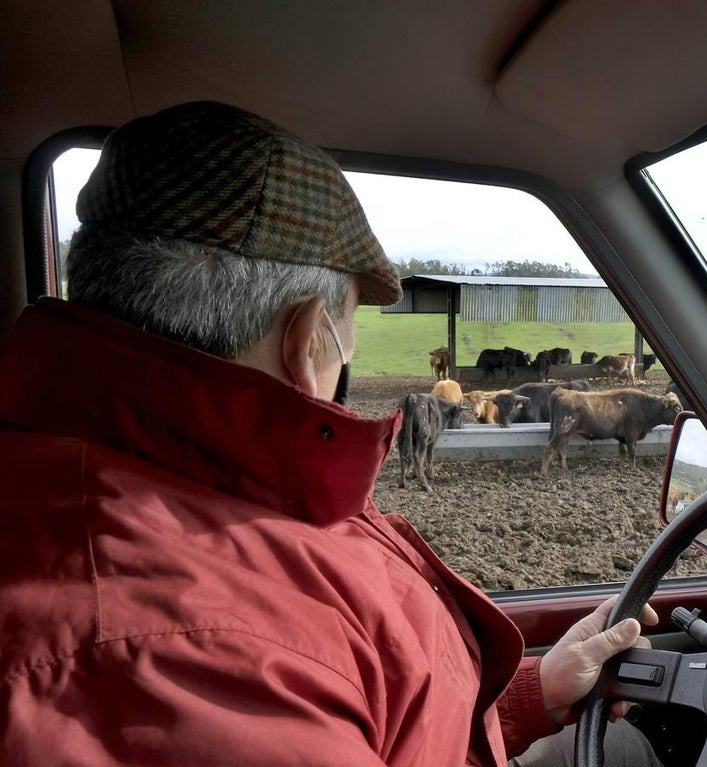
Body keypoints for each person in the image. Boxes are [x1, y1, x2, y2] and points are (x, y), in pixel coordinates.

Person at [0, 101, 659, 766]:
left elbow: (376, 717)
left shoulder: (178, 485)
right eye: (349, 331)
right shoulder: (174, 653)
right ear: (307, 337)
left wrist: (528, 698)